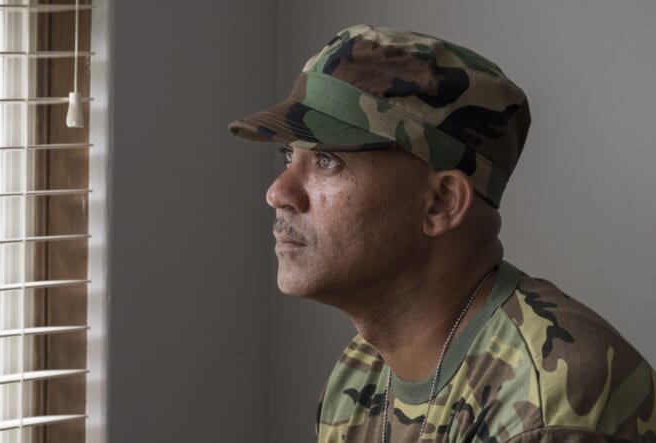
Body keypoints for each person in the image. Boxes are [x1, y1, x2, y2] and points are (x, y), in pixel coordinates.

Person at [227, 24, 656, 442]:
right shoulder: (359, 374)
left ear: (441, 203)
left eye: (326, 161)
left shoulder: (548, 406)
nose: (277, 192)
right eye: (289, 155)